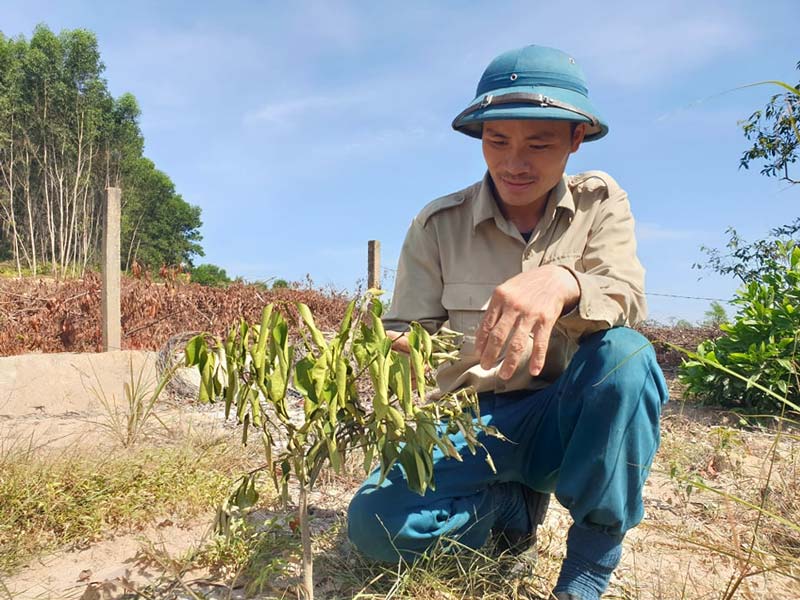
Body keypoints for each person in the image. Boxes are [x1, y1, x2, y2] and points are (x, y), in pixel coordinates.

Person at [347, 44, 668, 600]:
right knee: (375, 526)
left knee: (628, 357)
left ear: (576, 139)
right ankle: (504, 506)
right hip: (469, 422)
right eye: (498, 141)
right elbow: (406, 329)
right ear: (481, 139)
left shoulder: (601, 203)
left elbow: (625, 297)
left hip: (562, 420)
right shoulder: (437, 223)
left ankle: (588, 567)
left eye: (539, 144)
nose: (515, 162)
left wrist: (564, 281)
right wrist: (383, 347)